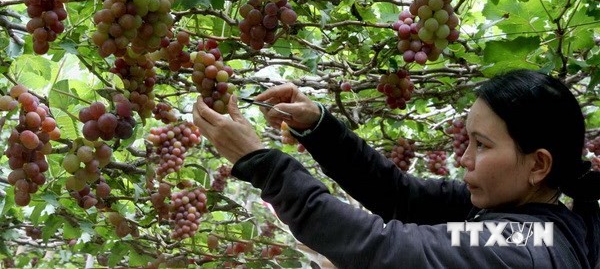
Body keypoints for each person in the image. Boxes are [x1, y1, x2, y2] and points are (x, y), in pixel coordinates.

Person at [192, 69, 600, 268]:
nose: (464, 157)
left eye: (482, 145)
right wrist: (318, 126)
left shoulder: (521, 244)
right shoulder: (531, 217)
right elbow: (399, 195)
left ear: (538, 164)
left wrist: (263, 163)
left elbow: (380, 246)